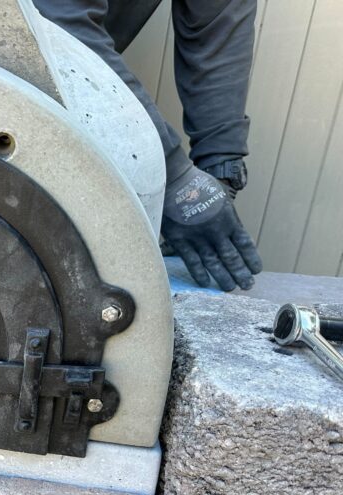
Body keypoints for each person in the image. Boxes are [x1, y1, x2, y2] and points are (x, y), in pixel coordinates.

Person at [33, 0, 262, 291]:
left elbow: (219, 22)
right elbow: (58, 27)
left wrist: (219, 173)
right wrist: (174, 178)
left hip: (72, 87)